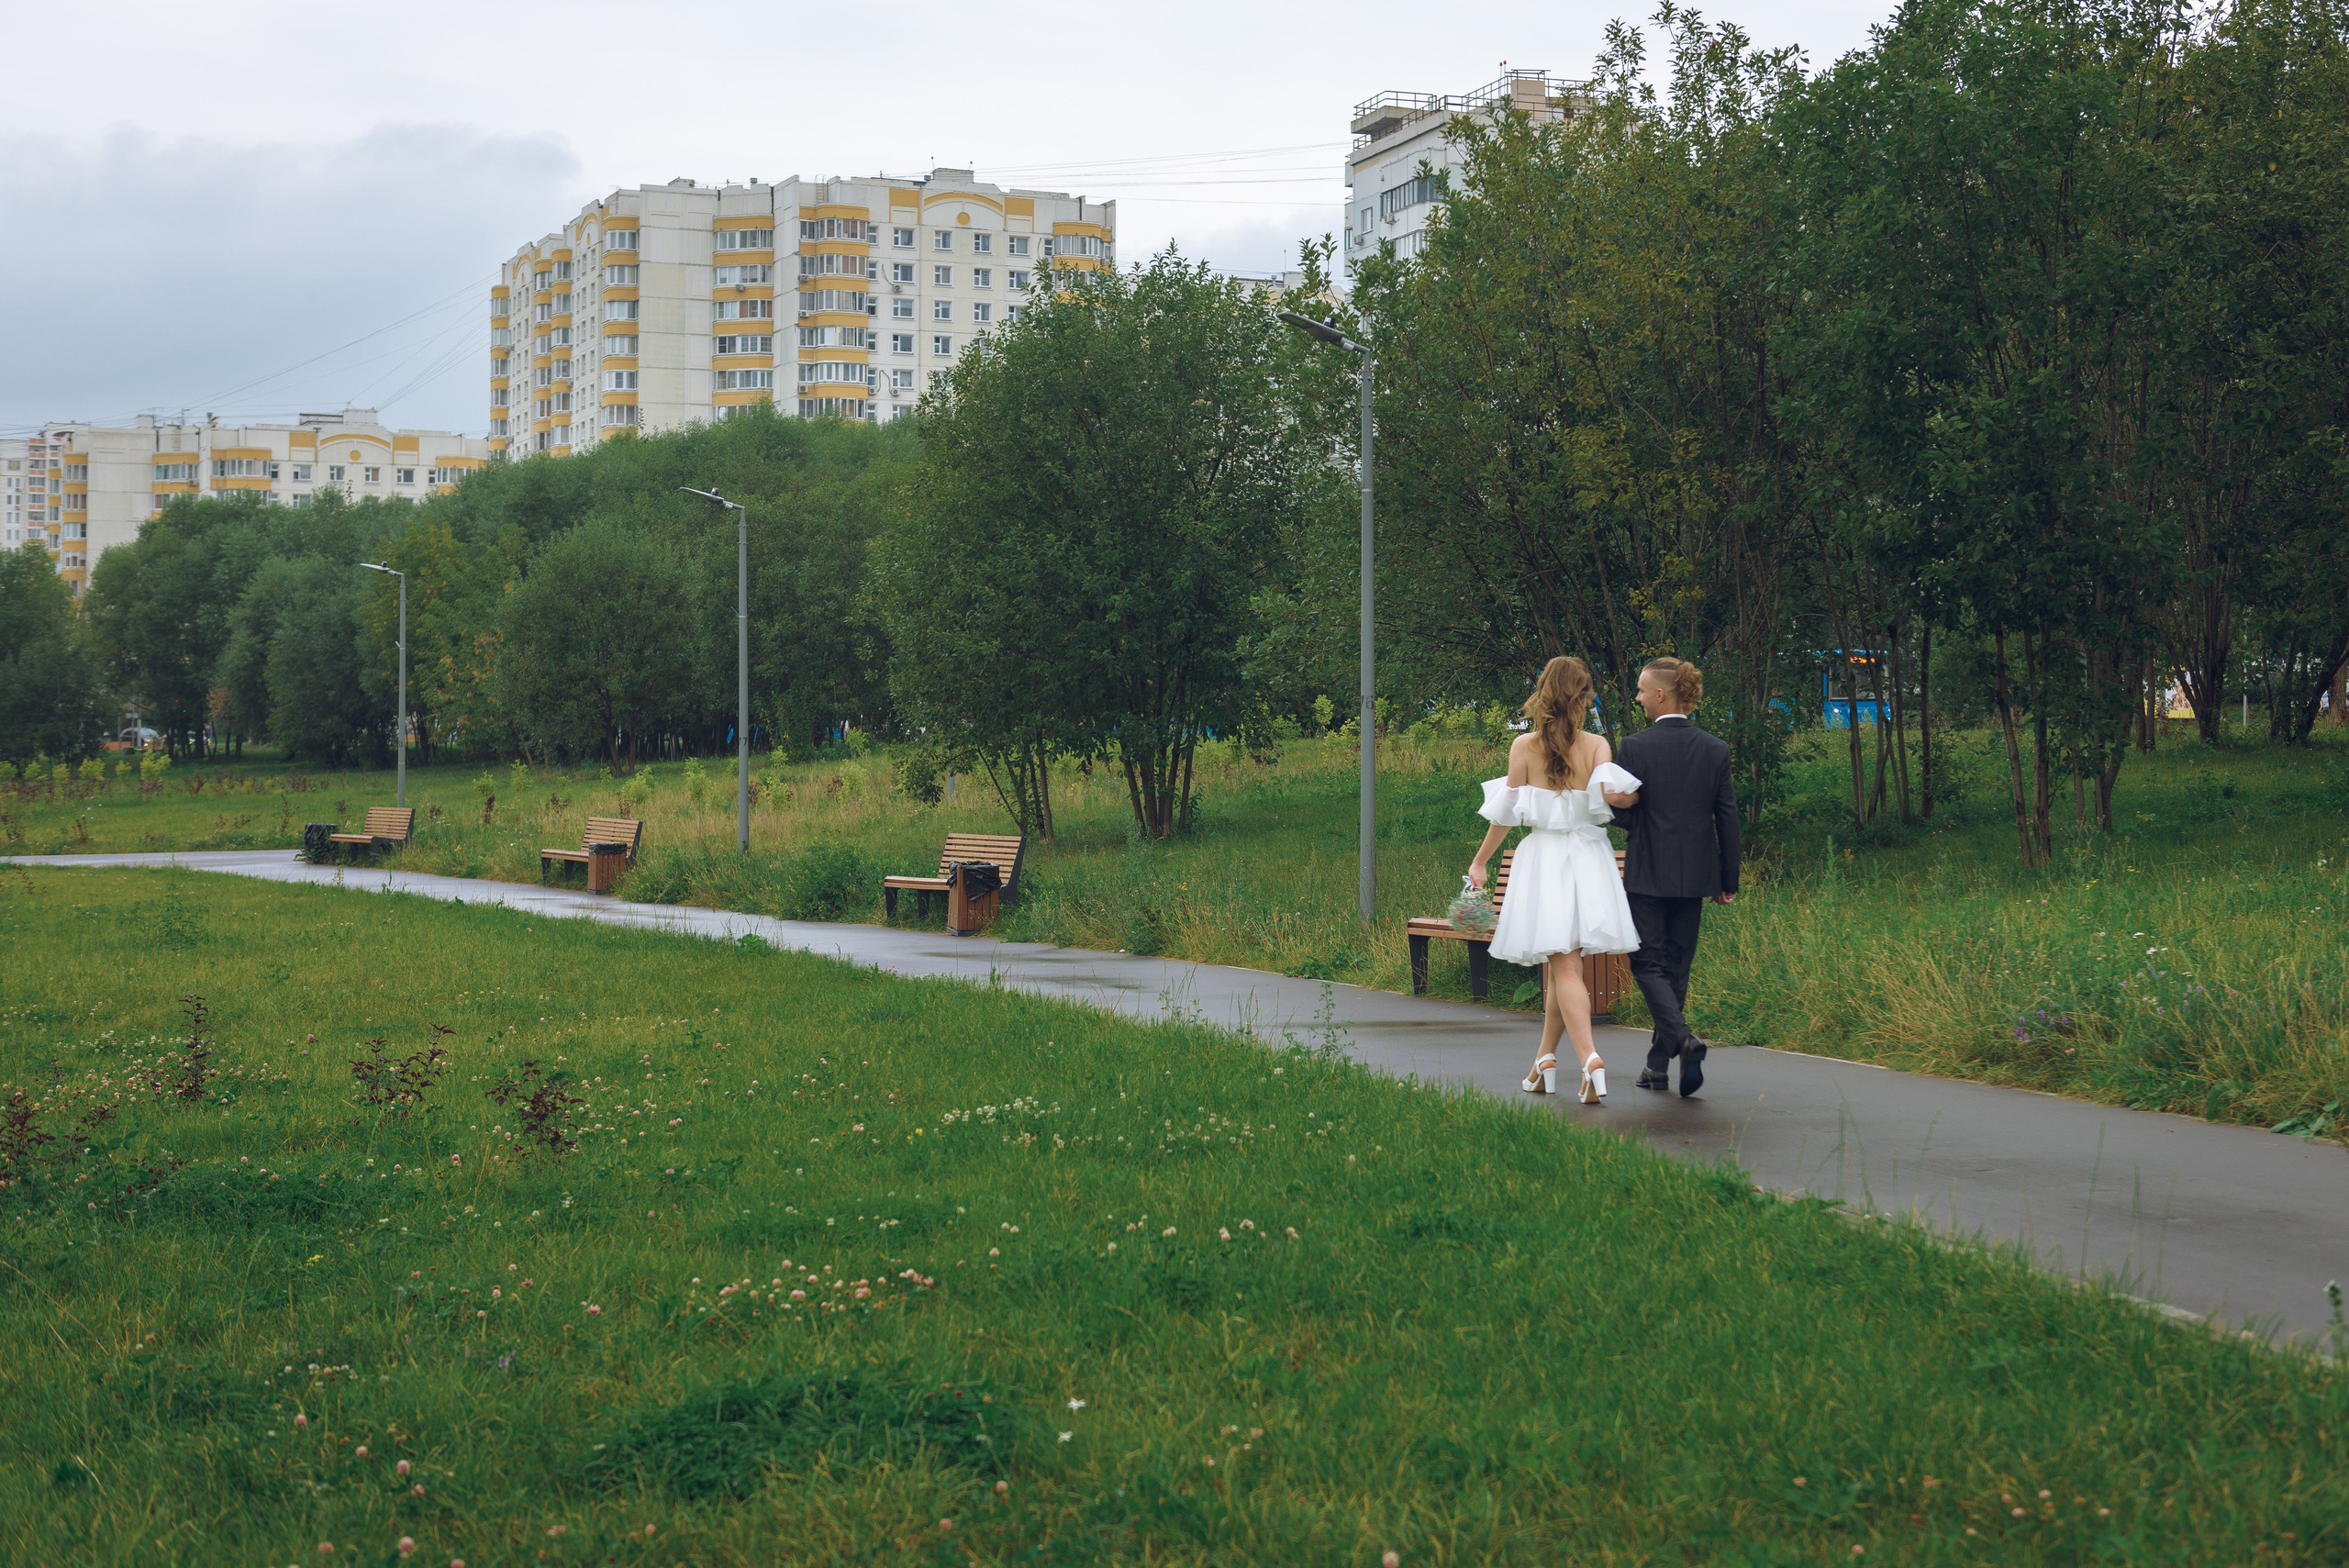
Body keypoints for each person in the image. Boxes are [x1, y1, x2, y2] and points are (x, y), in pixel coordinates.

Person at [1467, 656, 1642, 1105]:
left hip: (1544, 858)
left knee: (1563, 968)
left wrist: (1481, 861)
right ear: (1583, 698)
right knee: (1563, 967)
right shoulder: (1598, 745)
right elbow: (1616, 795)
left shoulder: (1524, 747)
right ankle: (1544, 1061)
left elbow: (1504, 816)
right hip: (1589, 856)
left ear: (1542, 693)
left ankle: (1589, 1060)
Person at [1599, 657, 1740, 1097]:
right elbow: (1728, 819)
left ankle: (1682, 1041)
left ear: (1661, 694)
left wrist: (1615, 807)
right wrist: (1727, 879)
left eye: (1641, 690)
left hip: (1648, 873)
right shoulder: (1715, 749)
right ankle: (1657, 1066)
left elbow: (1626, 813)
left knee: (1646, 962)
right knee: (1677, 967)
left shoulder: (1636, 748)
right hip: (1698, 875)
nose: (1637, 697)